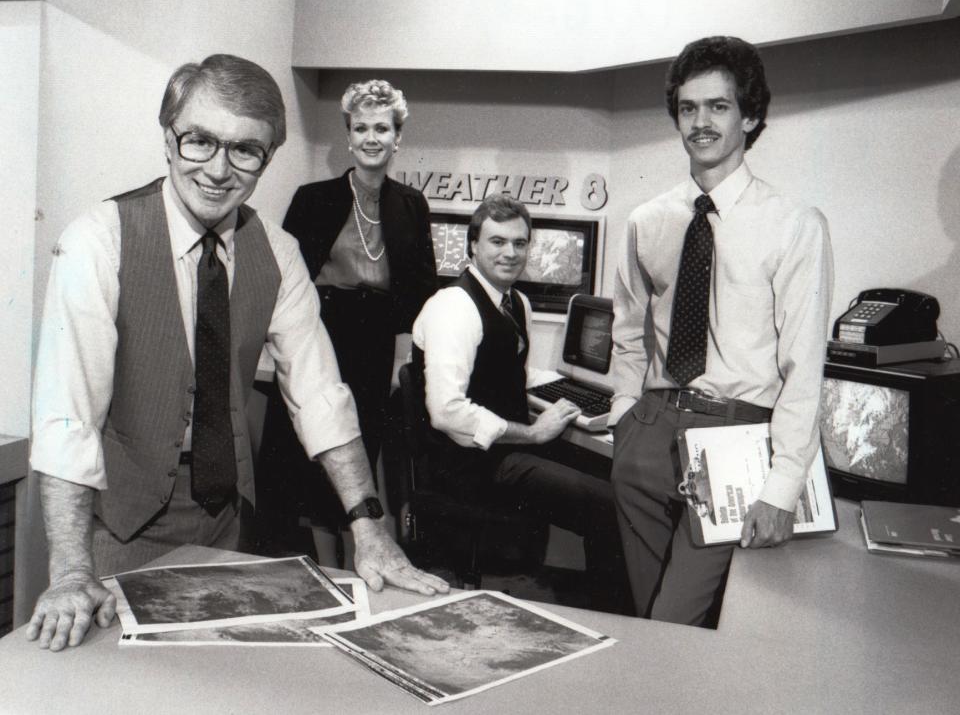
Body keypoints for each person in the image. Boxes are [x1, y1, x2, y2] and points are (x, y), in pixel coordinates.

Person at [26, 54, 447, 652]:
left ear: (266, 159)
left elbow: (321, 395)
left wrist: (370, 524)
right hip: (119, 527)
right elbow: (69, 416)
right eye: (199, 141)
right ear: (169, 138)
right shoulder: (98, 240)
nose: (219, 170)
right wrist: (70, 572)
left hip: (230, 522)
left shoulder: (276, 251)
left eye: (245, 151)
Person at [608, 36, 833, 627]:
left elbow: (803, 365)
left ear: (750, 114)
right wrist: (626, 412)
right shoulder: (648, 220)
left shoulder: (794, 226)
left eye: (718, 106)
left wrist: (783, 485)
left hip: (736, 439)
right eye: (688, 108)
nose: (700, 122)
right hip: (649, 436)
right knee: (647, 623)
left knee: (674, 621)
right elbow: (630, 332)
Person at [412, 194, 628, 612]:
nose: (510, 253)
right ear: (472, 245)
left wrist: (562, 394)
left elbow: (505, 374)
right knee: (609, 506)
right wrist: (532, 432)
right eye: (497, 242)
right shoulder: (453, 308)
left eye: (520, 243)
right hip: (470, 469)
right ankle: (615, 617)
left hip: (499, 455)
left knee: (615, 481)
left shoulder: (516, 302)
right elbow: (447, 411)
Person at [257, 79, 437, 564]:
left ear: (398, 137)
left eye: (382, 127)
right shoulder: (312, 198)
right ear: (349, 136)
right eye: (362, 128)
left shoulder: (411, 205)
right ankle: (327, 569)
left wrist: (404, 350)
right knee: (317, 452)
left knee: (362, 447)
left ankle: (360, 559)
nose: (372, 137)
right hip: (323, 333)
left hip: (378, 341)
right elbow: (282, 282)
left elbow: (421, 291)